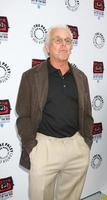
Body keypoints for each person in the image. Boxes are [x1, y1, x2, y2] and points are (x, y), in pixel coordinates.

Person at [16, 25, 93, 200]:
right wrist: (32, 146)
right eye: (58, 40)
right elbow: (24, 115)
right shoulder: (30, 77)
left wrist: (85, 142)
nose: (64, 45)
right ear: (47, 47)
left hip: (76, 146)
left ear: (72, 46)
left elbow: (87, 112)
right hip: (44, 148)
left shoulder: (81, 77)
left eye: (68, 41)